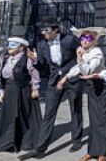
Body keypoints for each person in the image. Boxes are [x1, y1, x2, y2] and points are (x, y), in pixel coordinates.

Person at [20, 23, 84, 160]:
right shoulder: (41, 44)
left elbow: (80, 56)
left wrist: (80, 54)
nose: (44, 32)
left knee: (76, 108)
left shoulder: (69, 39)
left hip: (72, 77)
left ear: (56, 30)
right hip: (54, 80)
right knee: (49, 112)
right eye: (42, 30)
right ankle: (40, 149)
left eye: (47, 30)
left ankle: (76, 139)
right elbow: (42, 65)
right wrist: (35, 60)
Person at [58, 27, 106, 161]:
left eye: (88, 38)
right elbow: (78, 68)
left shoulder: (96, 52)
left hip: (103, 86)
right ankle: (93, 151)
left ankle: (104, 152)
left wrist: (79, 57)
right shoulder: (86, 52)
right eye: (82, 38)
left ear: (94, 41)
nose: (84, 41)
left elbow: (88, 70)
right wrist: (66, 77)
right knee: (94, 119)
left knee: (103, 120)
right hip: (93, 86)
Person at [0, 37, 41, 153]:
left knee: (24, 114)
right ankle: (6, 142)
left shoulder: (27, 58)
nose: (9, 47)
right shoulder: (5, 58)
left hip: (23, 91)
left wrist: (35, 88)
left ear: (21, 48)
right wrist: (2, 91)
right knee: (8, 116)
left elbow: (34, 73)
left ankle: (26, 142)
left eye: (13, 45)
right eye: (9, 45)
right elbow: (2, 77)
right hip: (10, 90)